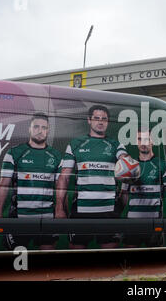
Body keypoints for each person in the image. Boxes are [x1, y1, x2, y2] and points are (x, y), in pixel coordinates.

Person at [55, 105, 129, 249]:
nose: (100, 122)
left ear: (107, 122)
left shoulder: (115, 144)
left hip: (109, 211)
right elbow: (64, 177)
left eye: (104, 119)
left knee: (109, 259)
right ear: (89, 120)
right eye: (96, 118)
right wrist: (59, 207)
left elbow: (124, 158)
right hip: (81, 211)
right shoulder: (76, 144)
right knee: (78, 255)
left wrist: (126, 160)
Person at [0, 112, 62, 250]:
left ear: (48, 131)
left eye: (44, 128)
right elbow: (3, 184)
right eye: (36, 127)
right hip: (19, 218)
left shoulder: (56, 156)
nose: (40, 131)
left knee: (46, 263)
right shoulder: (15, 152)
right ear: (29, 129)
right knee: (19, 262)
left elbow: (61, 187)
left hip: (47, 217)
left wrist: (61, 211)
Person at [120, 128, 166, 248]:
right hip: (132, 223)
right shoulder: (130, 166)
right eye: (140, 139)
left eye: (146, 139)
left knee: (155, 261)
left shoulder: (161, 165)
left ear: (153, 141)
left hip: (154, 223)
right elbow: (124, 194)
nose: (143, 143)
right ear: (136, 142)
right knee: (130, 260)